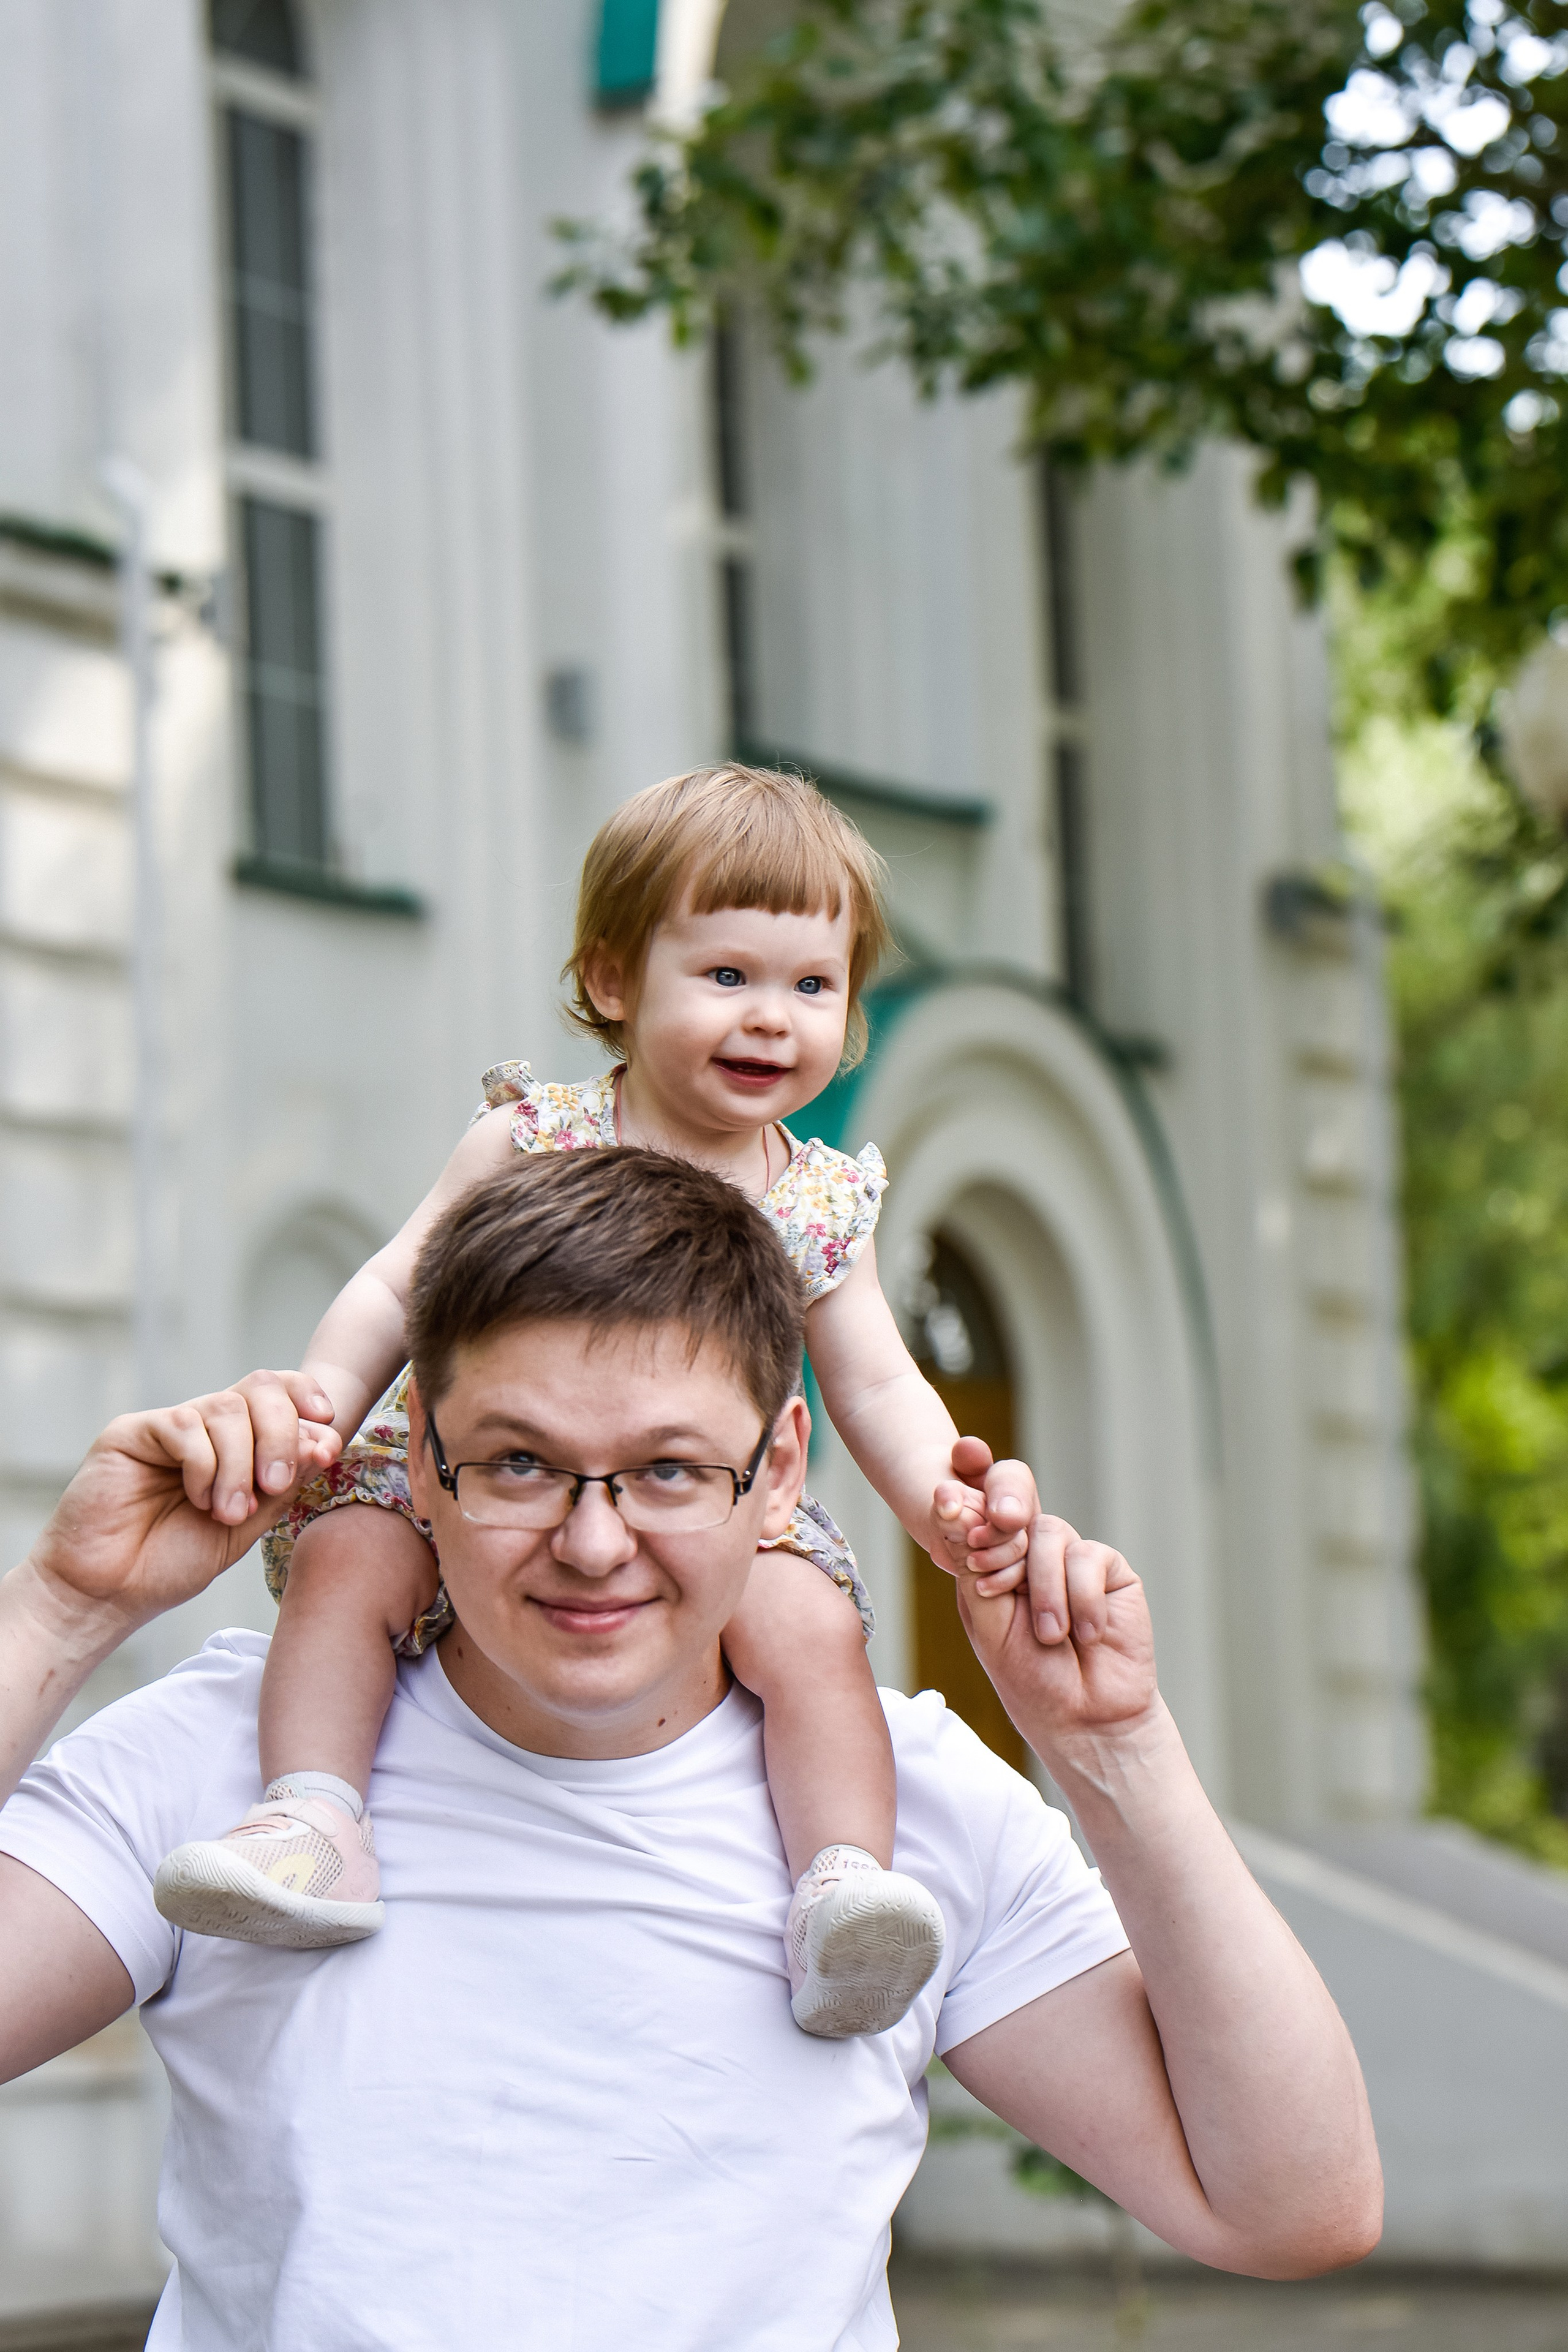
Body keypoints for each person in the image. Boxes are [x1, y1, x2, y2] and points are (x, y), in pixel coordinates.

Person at [0, 1150, 1380, 2349]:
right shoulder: (232, 1766)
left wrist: (1112, 1750)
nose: (594, 1545)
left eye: (667, 1469)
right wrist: (63, 1612)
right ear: (416, 1458)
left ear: (780, 1468)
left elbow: (1290, 2205)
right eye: (520, 1464)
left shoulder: (901, 1809)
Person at [153, 764, 1041, 2040]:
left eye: (810, 986)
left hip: (696, 1513)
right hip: (473, 1481)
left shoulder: (815, 1198)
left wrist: (946, 1512)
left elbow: (878, 1387)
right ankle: (314, 1819)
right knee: (350, 1562)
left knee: (804, 1627)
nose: (769, 1020)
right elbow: (397, 1282)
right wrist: (318, 1408)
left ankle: (840, 1886)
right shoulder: (536, 1138)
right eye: (725, 976)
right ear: (615, 980)